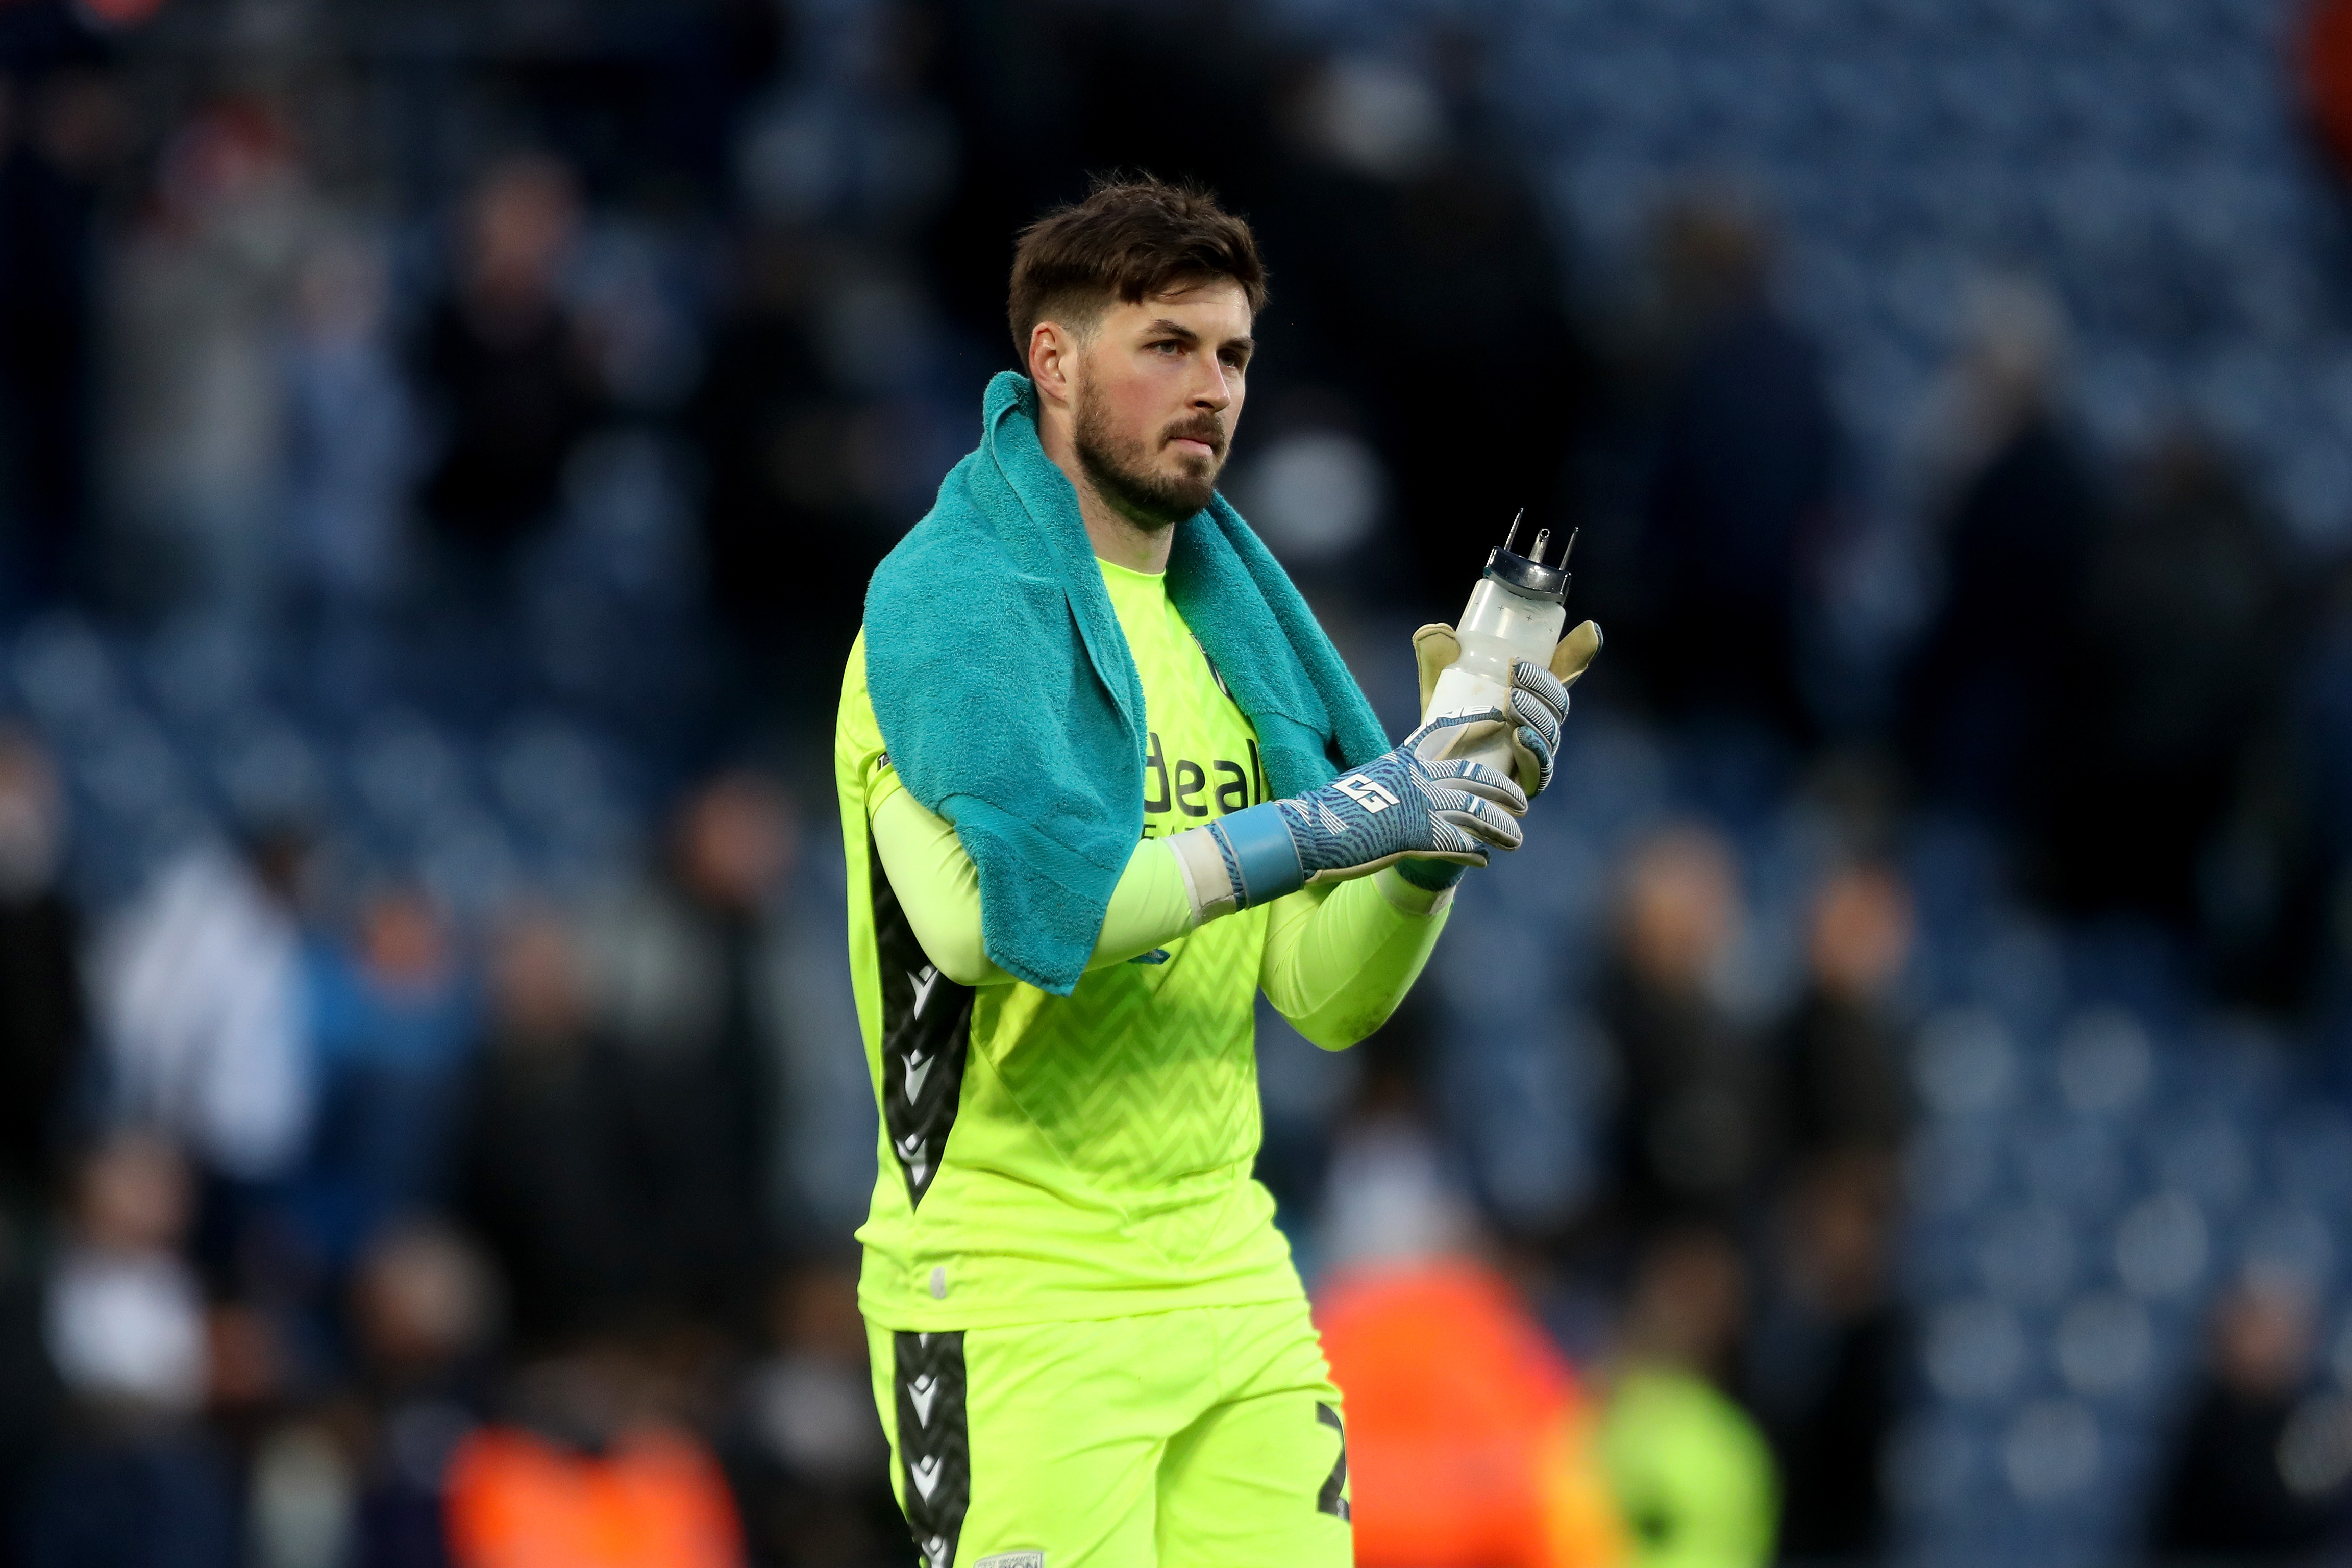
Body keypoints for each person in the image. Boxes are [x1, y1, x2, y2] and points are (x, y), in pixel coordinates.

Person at [836, 176, 1599, 1566]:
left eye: (1233, 354)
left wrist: (1429, 839)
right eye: (1166, 346)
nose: (1210, 389)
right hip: (1019, 1293)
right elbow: (985, 926)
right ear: (1052, 362)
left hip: (1233, 1280)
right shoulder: (943, 616)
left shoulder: (1239, 636)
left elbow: (1320, 993)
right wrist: (1327, 827)